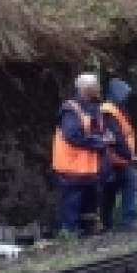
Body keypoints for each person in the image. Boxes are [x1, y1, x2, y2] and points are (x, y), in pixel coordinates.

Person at [51, 73, 113, 236]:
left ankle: (88, 228)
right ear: (88, 89)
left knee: (89, 200)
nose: (99, 88)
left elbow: (94, 130)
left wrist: (105, 137)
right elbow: (72, 136)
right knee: (72, 201)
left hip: (88, 168)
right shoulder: (71, 109)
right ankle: (70, 233)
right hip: (71, 167)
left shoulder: (92, 108)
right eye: (96, 86)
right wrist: (100, 141)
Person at [100, 78, 137, 232]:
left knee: (109, 192)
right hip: (118, 159)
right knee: (126, 187)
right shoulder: (111, 112)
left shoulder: (112, 110)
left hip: (114, 159)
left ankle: (107, 223)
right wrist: (129, 156)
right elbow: (117, 138)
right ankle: (128, 221)